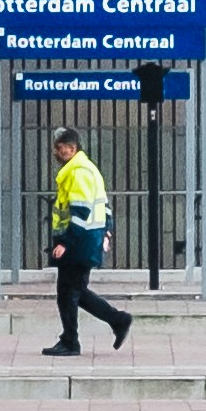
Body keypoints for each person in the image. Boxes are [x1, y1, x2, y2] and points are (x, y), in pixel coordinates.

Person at [45, 128, 132, 356]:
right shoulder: (88, 169)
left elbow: (80, 211)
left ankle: (72, 341)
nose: (56, 152)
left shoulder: (78, 172)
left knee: (68, 292)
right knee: (74, 291)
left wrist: (65, 241)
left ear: (71, 148)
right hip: (88, 239)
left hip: (79, 242)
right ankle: (116, 321)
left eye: (59, 148)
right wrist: (107, 231)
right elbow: (104, 205)